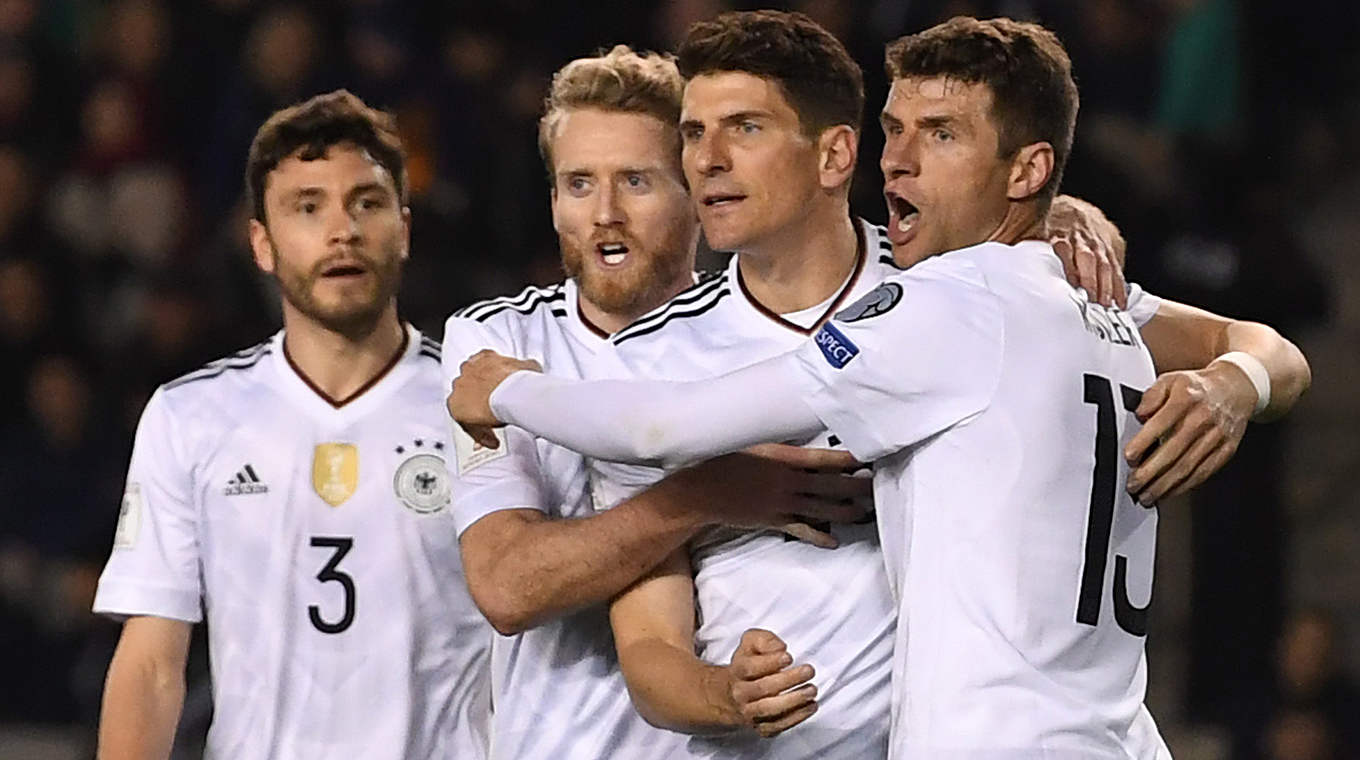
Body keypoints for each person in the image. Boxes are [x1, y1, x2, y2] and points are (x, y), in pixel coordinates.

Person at [447, 16, 1311, 759]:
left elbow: (659, 429)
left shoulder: (944, 301)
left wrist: (509, 389)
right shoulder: (1052, 286)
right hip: (1112, 732)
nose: (900, 161)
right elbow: (1270, 351)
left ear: (831, 154)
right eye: (691, 135)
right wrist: (1238, 377)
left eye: (742, 128)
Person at [440, 45, 870, 760]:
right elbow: (507, 585)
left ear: (696, 190)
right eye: (578, 184)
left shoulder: (766, 332)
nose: (605, 214)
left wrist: (1065, 221)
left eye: (636, 181)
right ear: (552, 201)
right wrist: (708, 493)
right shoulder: (498, 345)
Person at [92, 90, 491, 759]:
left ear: (405, 228)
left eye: (366, 202)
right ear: (263, 244)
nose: (343, 230)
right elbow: (153, 663)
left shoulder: (480, 407)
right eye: (308, 207)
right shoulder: (190, 416)